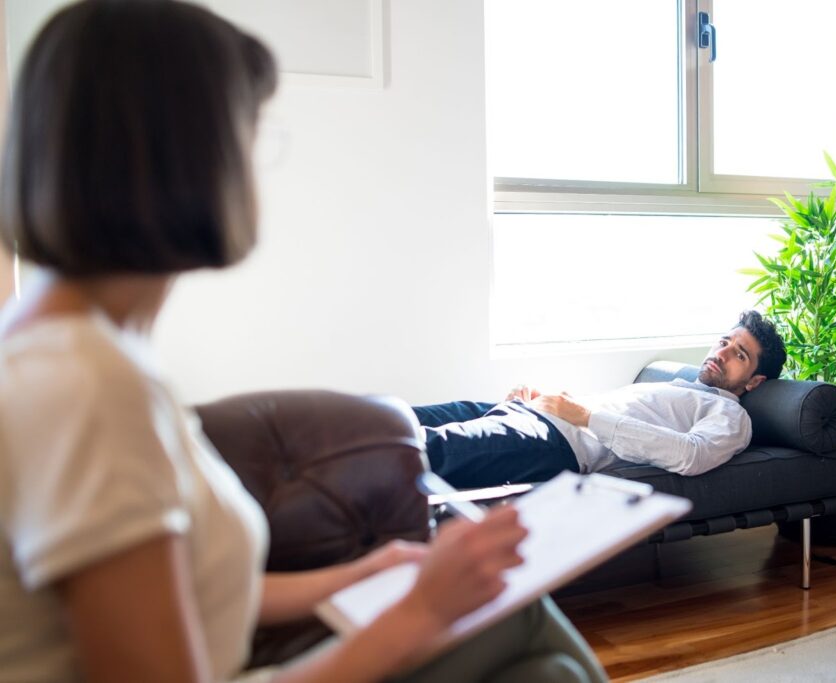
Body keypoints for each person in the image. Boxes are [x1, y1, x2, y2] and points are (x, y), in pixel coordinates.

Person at [0, 2, 605, 682]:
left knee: (539, 653)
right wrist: (420, 612)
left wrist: (360, 574)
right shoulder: (86, 384)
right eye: (250, 134)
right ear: (185, 156)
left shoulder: (75, 351)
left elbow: (186, 591)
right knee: (534, 638)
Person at [413, 311, 786, 489]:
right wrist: (543, 401)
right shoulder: (681, 386)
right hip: (531, 416)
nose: (721, 353)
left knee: (421, 450)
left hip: (554, 443)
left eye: (739, 354)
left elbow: (690, 455)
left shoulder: (729, 414)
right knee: (400, 418)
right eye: (724, 341)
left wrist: (583, 416)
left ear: (755, 381)